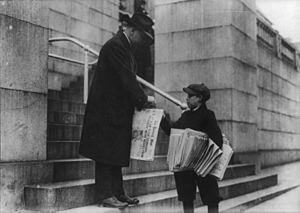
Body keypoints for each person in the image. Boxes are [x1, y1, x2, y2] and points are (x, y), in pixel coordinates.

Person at [79, 12, 155, 208]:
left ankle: (118, 193)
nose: (144, 42)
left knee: (114, 153)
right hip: (105, 111)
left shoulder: (124, 47)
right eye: (143, 37)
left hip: (115, 111)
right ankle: (105, 194)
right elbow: (127, 79)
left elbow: (127, 78)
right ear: (131, 30)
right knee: (106, 154)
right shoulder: (116, 46)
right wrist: (143, 99)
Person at [160, 83, 223, 213]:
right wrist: (162, 119)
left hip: (202, 164)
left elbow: (217, 140)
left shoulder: (208, 115)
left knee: (211, 198)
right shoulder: (186, 115)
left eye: (190, 96)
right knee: (186, 197)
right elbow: (172, 131)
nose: (187, 98)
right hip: (185, 165)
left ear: (199, 98)